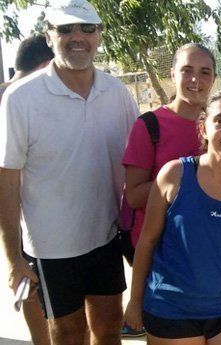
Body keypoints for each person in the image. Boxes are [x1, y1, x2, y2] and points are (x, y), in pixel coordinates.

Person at [0, 1, 139, 344]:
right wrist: (13, 258)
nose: (77, 37)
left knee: (108, 330)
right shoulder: (20, 99)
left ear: (99, 36)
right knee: (67, 334)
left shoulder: (118, 93)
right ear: (49, 37)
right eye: (66, 29)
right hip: (51, 249)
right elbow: (7, 180)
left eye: (86, 28)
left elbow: (141, 161)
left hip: (106, 238)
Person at [124, 89, 221, 344]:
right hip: (170, 308)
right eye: (220, 120)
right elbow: (147, 242)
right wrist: (135, 301)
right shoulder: (173, 174)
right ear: (203, 128)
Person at [122, 43, 216, 257]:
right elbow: (134, 196)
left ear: (213, 78)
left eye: (205, 72)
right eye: (187, 70)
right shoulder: (149, 125)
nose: (195, 79)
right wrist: (187, 175)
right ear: (172, 74)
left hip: (206, 247)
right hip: (159, 252)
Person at [0, 33, 53, 345]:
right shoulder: (20, 99)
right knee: (31, 285)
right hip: (24, 221)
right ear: (47, 64)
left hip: (21, 220)